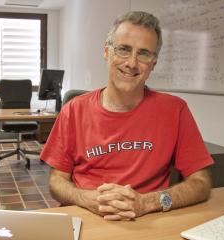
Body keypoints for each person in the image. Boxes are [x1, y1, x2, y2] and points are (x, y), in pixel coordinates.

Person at [40, 11, 214, 221]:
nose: (132, 63)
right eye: (123, 49)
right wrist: (87, 199)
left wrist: (148, 202)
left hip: (148, 220)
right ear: (107, 51)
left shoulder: (175, 110)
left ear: (154, 63)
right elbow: (56, 181)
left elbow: (201, 183)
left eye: (143, 53)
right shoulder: (73, 110)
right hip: (87, 217)